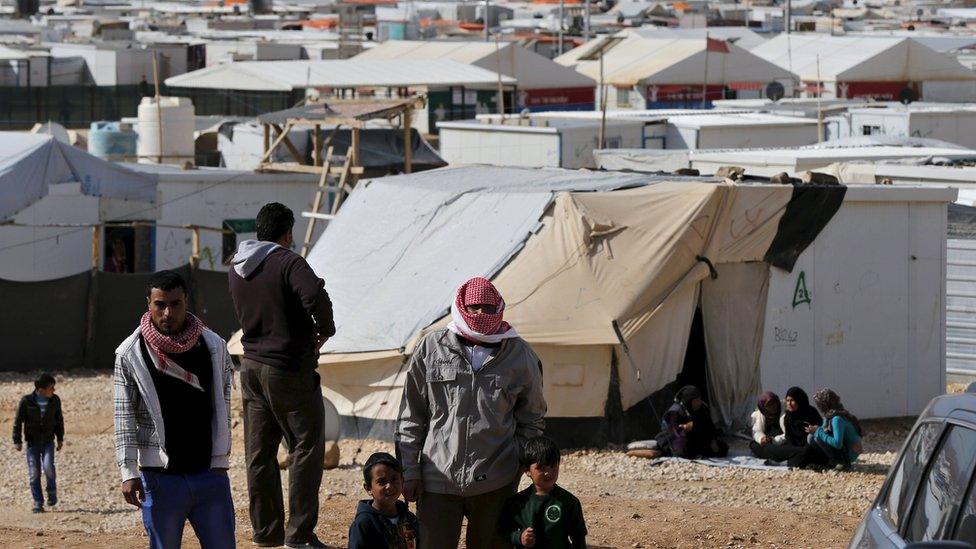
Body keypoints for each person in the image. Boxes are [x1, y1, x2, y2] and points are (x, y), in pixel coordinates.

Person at [396, 276, 546, 549]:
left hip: (496, 482)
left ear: (499, 309)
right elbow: (411, 416)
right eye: (474, 307)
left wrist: (516, 466)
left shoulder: (520, 355)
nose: (480, 314)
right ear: (460, 306)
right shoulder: (433, 347)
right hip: (437, 478)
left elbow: (532, 419)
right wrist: (410, 471)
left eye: (488, 309)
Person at [228, 202, 336, 548]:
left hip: (251, 367)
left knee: (259, 453)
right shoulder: (288, 262)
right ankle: (299, 535)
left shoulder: (238, 266)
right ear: (287, 232)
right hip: (288, 367)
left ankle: (266, 533)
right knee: (306, 445)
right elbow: (315, 295)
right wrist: (325, 330)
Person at [113, 270, 235, 549]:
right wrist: (129, 472)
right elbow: (124, 417)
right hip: (160, 477)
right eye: (160, 304)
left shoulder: (213, 345)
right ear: (149, 304)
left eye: (175, 304)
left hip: (209, 474)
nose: (168, 312)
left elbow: (223, 403)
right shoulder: (131, 354)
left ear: (186, 302)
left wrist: (220, 461)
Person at [499, 436, 587, 549]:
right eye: (541, 468)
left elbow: (578, 536)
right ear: (527, 470)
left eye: (552, 466)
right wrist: (520, 537)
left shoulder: (569, 502)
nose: (548, 473)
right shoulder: (517, 503)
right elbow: (504, 531)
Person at [12, 373, 64, 513]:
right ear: (41, 390)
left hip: (48, 441)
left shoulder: (55, 401)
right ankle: (37, 502)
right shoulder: (26, 401)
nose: (54, 391)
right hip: (32, 443)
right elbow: (18, 421)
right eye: (51, 388)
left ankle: (51, 493)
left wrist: (60, 438)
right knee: (34, 473)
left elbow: (59, 420)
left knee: (48, 468)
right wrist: (17, 440)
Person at [348, 452, 420, 549]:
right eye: (381, 481)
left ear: (402, 481)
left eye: (394, 479)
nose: (389, 486)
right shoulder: (364, 524)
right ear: (369, 488)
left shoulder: (410, 519)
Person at [655, 385, 728, 459]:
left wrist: (712, 439)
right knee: (682, 449)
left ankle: (701, 451)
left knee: (722, 447)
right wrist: (685, 429)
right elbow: (674, 432)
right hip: (677, 438)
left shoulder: (702, 408)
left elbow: (709, 426)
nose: (699, 403)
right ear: (689, 402)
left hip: (697, 436)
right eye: (696, 401)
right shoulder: (675, 412)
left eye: (699, 399)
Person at [809, 388, 864, 469]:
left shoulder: (836, 419)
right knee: (811, 437)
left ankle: (842, 462)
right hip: (844, 447)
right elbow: (824, 429)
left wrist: (818, 431)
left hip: (850, 452)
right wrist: (816, 430)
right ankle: (829, 460)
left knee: (818, 437)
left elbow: (837, 444)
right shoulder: (829, 416)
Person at [748, 391, 806, 465]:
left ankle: (778, 457)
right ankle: (776, 455)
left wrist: (774, 440)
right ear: (763, 407)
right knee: (754, 445)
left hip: (784, 441)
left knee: (795, 449)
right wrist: (762, 438)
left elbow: (789, 433)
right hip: (769, 443)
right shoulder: (760, 415)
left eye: (774, 403)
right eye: (769, 405)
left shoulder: (786, 412)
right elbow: (756, 431)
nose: (773, 406)